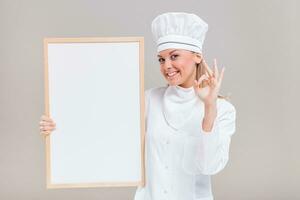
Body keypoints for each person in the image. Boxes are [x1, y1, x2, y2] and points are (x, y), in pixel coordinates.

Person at [39, 12, 236, 200]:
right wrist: (59, 128)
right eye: (161, 59)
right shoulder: (149, 100)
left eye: (174, 56)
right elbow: (103, 129)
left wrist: (209, 107)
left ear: (197, 56)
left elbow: (209, 166)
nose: (166, 65)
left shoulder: (223, 109)